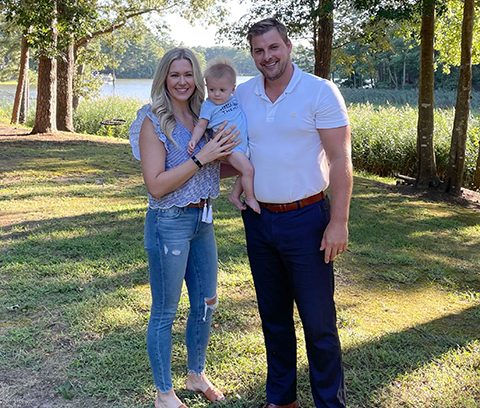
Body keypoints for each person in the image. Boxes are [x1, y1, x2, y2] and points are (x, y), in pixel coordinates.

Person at [232, 18, 353, 408]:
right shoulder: (243, 94)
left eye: (273, 48)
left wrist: (338, 221)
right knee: (274, 317)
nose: (267, 57)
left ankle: (329, 403)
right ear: (252, 54)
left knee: (318, 323)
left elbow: (340, 159)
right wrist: (239, 176)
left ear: (288, 46)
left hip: (307, 220)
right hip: (258, 219)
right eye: (258, 51)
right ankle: (282, 400)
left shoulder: (319, 91)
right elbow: (242, 146)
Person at [129, 47, 237, 408]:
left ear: (197, 79)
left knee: (207, 302)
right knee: (165, 310)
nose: (182, 81)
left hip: (203, 221)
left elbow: (209, 170)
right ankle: (164, 394)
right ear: (164, 78)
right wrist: (199, 157)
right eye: (174, 75)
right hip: (169, 223)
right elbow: (156, 185)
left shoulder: (203, 116)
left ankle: (195, 374)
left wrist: (235, 157)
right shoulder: (152, 121)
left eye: (188, 74)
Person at [188, 60, 260, 213]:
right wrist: (194, 139)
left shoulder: (235, 99)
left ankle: (234, 195)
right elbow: (201, 125)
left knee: (246, 170)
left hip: (244, 145)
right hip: (231, 147)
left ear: (232, 89)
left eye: (222, 89)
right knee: (248, 170)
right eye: (212, 89)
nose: (216, 94)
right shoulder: (208, 106)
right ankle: (250, 198)